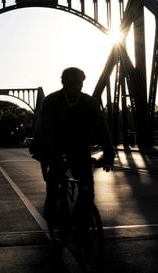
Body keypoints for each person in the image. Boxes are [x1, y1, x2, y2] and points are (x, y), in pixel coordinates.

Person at [30, 67, 114, 223]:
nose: (76, 87)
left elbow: (103, 129)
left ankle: (79, 221)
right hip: (53, 143)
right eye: (72, 83)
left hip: (77, 145)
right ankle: (51, 213)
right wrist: (54, 158)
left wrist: (109, 153)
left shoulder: (90, 103)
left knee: (87, 189)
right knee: (54, 185)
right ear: (63, 83)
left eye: (79, 83)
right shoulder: (51, 101)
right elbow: (46, 132)